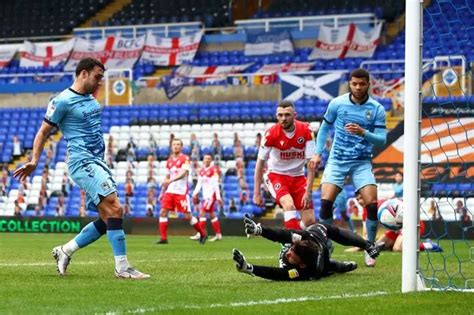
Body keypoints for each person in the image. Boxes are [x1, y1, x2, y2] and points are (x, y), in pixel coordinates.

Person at [13, 58, 149, 279]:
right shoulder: (63, 101)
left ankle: (65, 251)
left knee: (110, 217)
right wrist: (34, 161)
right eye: (97, 77)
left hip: (98, 161)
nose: (100, 83)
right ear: (83, 74)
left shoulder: (89, 98)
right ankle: (122, 268)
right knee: (114, 208)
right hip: (82, 162)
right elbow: (42, 132)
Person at [310, 68, 387, 267]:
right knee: (326, 203)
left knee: (371, 203)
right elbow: (325, 127)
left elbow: (381, 140)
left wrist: (364, 133)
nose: (358, 87)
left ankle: (369, 247)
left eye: (362, 84)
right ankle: (324, 244)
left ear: (368, 84)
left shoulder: (376, 108)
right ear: (350, 84)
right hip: (337, 160)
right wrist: (318, 152)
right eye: (355, 84)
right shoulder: (337, 103)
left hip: (361, 162)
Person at [232, 214, 383, 281]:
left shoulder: (305, 271)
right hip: (316, 238)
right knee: (320, 227)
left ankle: (348, 261)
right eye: (292, 249)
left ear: (301, 264)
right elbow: (284, 234)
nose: (288, 253)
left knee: (328, 268)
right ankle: (362, 249)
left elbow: (277, 274)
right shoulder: (304, 238)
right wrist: (260, 230)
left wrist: (250, 268)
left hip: (322, 258)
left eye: (292, 255)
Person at [254, 100, 316, 230]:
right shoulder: (271, 134)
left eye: (287, 115)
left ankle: (292, 235)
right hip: (277, 176)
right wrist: (257, 193)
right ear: (276, 116)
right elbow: (260, 163)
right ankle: (292, 244)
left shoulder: (306, 130)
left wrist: (309, 191)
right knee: (289, 205)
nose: (283, 118)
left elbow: (311, 164)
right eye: (280, 115)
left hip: (299, 177)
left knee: (309, 220)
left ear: (295, 114)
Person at [157, 138, 207, 244]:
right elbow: (167, 177)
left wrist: (170, 180)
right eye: (174, 144)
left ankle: (202, 233)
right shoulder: (169, 161)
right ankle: (163, 238)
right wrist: (162, 191)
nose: (176, 146)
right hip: (170, 191)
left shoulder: (185, 159)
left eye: (178, 144)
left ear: (181, 147)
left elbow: (184, 173)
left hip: (181, 192)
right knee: (163, 212)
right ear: (171, 146)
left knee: (187, 216)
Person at [190, 154, 224, 242]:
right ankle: (218, 234)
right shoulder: (201, 171)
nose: (207, 160)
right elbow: (199, 184)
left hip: (211, 196)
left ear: (211, 160)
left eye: (209, 159)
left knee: (202, 213)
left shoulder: (214, 171)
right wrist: (194, 193)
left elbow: (216, 185)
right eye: (206, 158)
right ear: (203, 160)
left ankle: (200, 233)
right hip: (205, 196)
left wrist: (218, 197)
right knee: (212, 214)